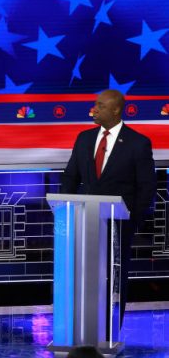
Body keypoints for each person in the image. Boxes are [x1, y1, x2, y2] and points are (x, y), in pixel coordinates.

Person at [62, 89, 156, 325]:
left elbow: (147, 187)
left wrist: (133, 221)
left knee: (114, 276)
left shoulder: (138, 143)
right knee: (85, 275)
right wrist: (65, 209)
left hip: (119, 224)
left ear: (116, 110)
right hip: (84, 220)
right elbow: (70, 176)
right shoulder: (84, 138)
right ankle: (84, 323)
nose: (94, 109)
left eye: (101, 105)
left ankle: (111, 328)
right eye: (95, 104)